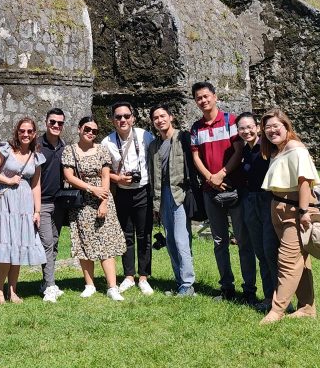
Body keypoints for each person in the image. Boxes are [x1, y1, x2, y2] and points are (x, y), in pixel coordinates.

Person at [189, 81, 256, 302]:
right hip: (211, 191)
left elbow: (239, 151)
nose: (203, 101)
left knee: (243, 241)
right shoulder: (196, 128)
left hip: (234, 188)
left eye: (206, 96)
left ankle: (249, 290)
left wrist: (222, 174)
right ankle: (226, 287)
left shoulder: (231, 121)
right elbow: (196, 157)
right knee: (219, 242)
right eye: (199, 98)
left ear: (215, 96)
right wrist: (210, 178)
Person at [259, 108, 320, 324]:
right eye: (267, 127)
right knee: (300, 262)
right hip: (279, 208)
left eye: (276, 126)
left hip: (296, 209)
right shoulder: (277, 151)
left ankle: (277, 311)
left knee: (286, 260)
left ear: (286, 126)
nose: (271, 130)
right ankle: (307, 308)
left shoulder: (295, 148)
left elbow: (305, 181)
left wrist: (304, 212)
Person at [0, 117, 47, 304]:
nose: (25, 134)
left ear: (34, 134)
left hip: (24, 206)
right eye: (22, 131)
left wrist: (37, 211)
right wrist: (8, 180)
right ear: (17, 132)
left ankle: (12, 290)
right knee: (5, 247)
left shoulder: (36, 156)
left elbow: (36, 185)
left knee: (18, 247)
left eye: (29, 131)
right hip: (6, 203)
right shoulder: (6, 149)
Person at [62, 116, 127, 301]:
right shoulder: (70, 150)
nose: (91, 133)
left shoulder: (102, 150)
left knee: (106, 242)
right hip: (82, 202)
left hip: (102, 199)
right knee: (84, 242)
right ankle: (89, 284)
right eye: (87, 129)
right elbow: (69, 176)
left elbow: (105, 176)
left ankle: (112, 286)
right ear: (79, 129)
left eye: (94, 131)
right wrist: (91, 188)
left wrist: (104, 201)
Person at [102, 101, 155, 295]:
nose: (123, 120)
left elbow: (153, 161)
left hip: (142, 190)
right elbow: (104, 171)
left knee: (144, 235)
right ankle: (128, 276)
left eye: (126, 116)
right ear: (112, 120)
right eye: (118, 117)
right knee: (125, 235)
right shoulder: (107, 142)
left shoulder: (145, 136)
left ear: (133, 117)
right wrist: (118, 178)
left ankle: (143, 277)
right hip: (122, 192)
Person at [147, 105, 196, 296]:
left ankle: (188, 283)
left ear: (171, 117)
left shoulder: (183, 138)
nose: (160, 120)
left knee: (181, 239)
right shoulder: (154, 145)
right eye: (156, 118)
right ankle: (180, 282)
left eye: (163, 116)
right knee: (171, 241)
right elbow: (154, 175)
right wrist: (156, 203)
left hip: (180, 193)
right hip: (163, 195)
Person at [236, 111, 280, 310]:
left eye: (249, 127)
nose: (246, 131)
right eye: (241, 128)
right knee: (261, 252)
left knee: (271, 251)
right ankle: (269, 297)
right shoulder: (246, 150)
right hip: (250, 201)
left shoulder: (268, 147)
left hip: (267, 200)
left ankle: (281, 298)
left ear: (257, 127)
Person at [37, 108, 68, 303]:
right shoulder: (38, 145)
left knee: (54, 244)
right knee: (47, 243)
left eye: (60, 123)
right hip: (42, 203)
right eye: (53, 122)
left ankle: (46, 281)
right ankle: (49, 287)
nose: (56, 126)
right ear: (46, 122)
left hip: (59, 203)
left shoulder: (64, 146)